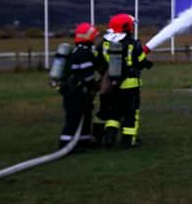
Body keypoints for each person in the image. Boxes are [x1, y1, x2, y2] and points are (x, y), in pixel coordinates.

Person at [95, 13, 153, 147]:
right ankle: (128, 140)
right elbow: (139, 61)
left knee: (114, 111)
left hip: (112, 84)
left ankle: (109, 137)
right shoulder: (133, 43)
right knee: (130, 113)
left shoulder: (105, 43)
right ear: (127, 27)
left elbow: (99, 61)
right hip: (130, 85)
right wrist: (147, 63)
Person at [57, 22, 107, 149]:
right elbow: (87, 76)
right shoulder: (84, 54)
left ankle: (83, 142)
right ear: (89, 37)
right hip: (76, 92)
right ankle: (65, 144)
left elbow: (97, 66)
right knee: (74, 118)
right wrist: (94, 87)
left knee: (85, 116)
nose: (96, 39)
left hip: (73, 90)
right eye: (94, 37)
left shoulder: (77, 51)